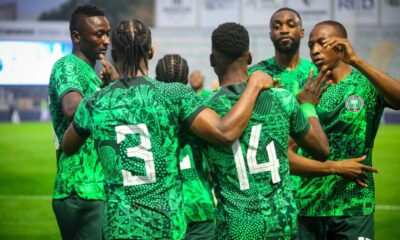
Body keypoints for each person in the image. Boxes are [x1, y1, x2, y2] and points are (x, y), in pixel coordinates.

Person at [61, 19, 275, 240]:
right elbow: (225, 133)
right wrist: (255, 84)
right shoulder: (173, 94)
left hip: (120, 226)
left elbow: (68, 147)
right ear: (151, 52)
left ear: (114, 56)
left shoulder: (95, 102)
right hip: (165, 226)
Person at [199, 22, 330, 239]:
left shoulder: (204, 110)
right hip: (282, 224)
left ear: (212, 60)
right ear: (249, 58)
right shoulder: (283, 99)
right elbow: (321, 150)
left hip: (237, 226)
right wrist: (307, 106)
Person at [293, 20, 400, 240]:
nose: (314, 51)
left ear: (341, 45)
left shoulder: (365, 84)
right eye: (311, 45)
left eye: (322, 43)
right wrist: (304, 105)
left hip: (354, 205)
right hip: (308, 206)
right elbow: (288, 150)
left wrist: (356, 60)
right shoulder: (305, 88)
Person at [48, 5, 117, 240]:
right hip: (83, 186)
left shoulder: (91, 72)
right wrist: (112, 91)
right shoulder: (67, 66)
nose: (106, 40)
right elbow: (72, 108)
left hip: (92, 188)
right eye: (99, 34)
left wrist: (107, 88)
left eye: (107, 33)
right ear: (77, 37)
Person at [156, 54, 217, 239]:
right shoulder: (201, 109)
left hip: (163, 206)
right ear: (186, 80)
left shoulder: (148, 112)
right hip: (198, 201)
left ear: (157, 80)